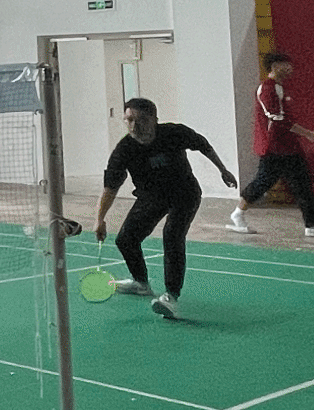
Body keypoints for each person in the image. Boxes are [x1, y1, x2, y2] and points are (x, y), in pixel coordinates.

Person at [95, 97, 239, 320]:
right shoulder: (124, 150)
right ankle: (141, 283)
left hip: (184, 193)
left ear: (154, 119)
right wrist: (100, 219)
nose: (134, 126)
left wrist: (223, 170)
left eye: (141, 120)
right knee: (126, 239)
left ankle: (171, 296)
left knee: (172, 235)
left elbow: (203, 145)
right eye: (129, 120)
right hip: (152, 197)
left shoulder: (174, 133)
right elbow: (110, 187)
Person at [228, 52, 314, 239]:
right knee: (275, 183)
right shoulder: (267, 89)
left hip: (288, 146)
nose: (290, 68)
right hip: (275, 147)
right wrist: (308, 134)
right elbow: (278, 120)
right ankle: (312, 226)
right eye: (285, 64)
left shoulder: (279, 88)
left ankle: (311, 226)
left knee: (289, 183)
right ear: (274, 66)